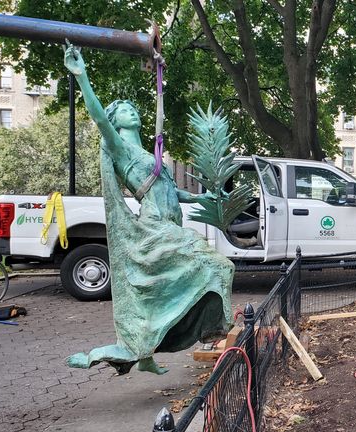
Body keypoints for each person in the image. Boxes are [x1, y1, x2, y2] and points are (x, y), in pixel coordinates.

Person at [63, 44, 234, 375]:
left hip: (170, 224)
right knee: (219, 267)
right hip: (156, 228)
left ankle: (147, 354)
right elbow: (98, 115)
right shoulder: (122, 150)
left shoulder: (151, 152)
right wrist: (81, 76)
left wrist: (198, 199)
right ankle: (212, 329)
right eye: (124, 109)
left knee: (162, 292)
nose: (131, 111)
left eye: (131, 107)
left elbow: (168, 189)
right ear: (116, 121)